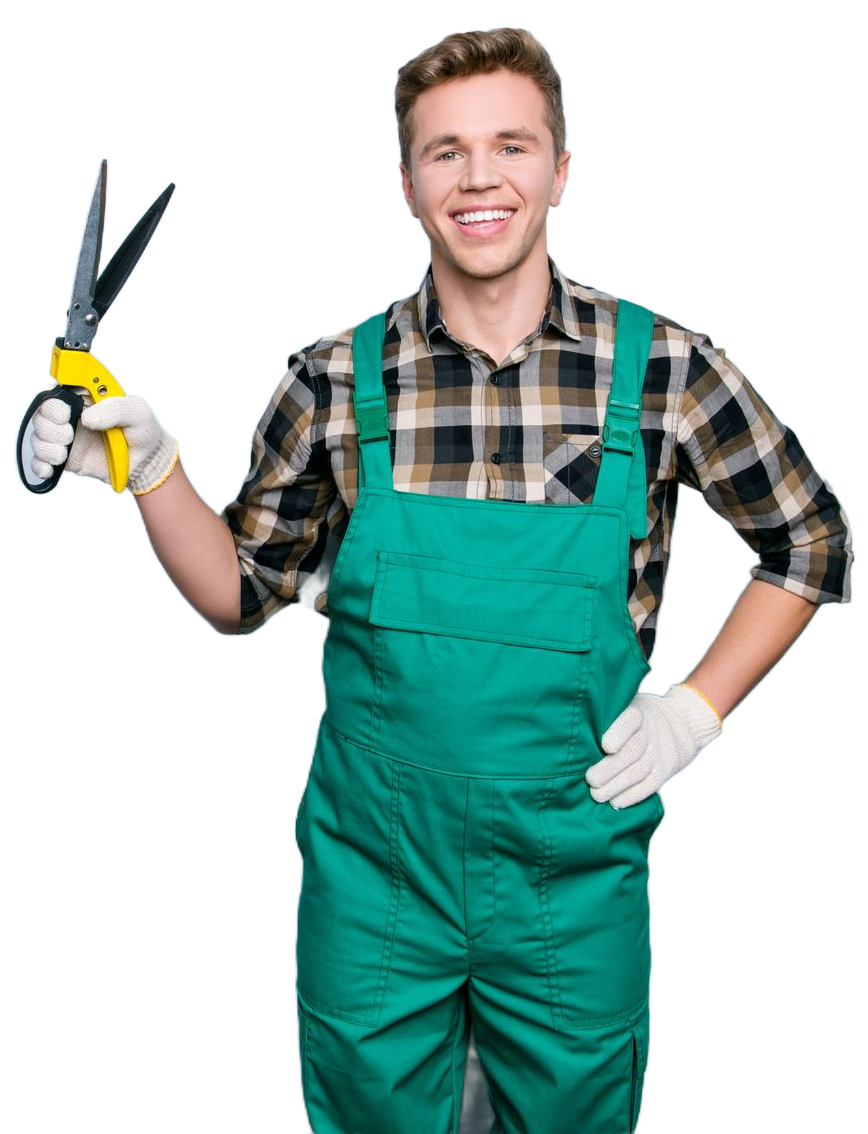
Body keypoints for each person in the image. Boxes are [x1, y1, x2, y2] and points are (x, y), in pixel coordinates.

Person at [24, 26, 853, 1134]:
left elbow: (810, 542)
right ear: (407, 182)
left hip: (570, 878)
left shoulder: (663, 368)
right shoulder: (331, 379)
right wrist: (152, 470)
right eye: (444, 151)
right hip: (376, 882)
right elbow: (239, 593)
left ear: (561, 169)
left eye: (511, 145)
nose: (478, 178)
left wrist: (694, 712)